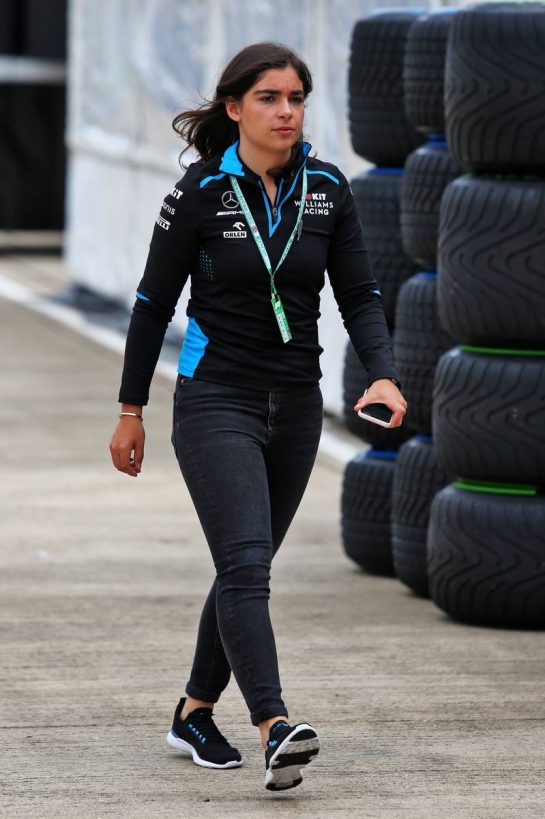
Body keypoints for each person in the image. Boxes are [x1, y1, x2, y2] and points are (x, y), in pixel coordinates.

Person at [109, 41, 406, 792]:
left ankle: (193, 710)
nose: (285, 111)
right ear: (234, 107)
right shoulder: (201, 193)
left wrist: (383, 374)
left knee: (246, 564)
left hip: (296, 405)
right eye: (269, 97)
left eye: (296, 98)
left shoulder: (326, 189)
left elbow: (361, 295)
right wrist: (130, 408)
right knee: (245, 565)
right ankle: (275, 723)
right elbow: (150, 305)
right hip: (216, 401)